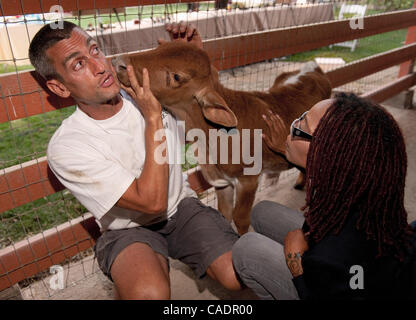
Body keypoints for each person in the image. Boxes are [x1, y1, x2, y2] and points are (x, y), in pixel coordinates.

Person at [29, 21, 242, 299]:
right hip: (127, 229)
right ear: (59, 88)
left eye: (94, 50)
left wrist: (191, 64)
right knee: (148, 294)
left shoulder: (153, 90)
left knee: (238, 275)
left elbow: (217, 120)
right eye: (78, 65)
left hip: (181, 208)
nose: (100, 66)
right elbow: (151, 203)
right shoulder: (68, 146)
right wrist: (153, 118)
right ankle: (132, 276)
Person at [232, 93, 416, 300]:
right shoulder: (362, 190)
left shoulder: (332, 256)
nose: (293, 125)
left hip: (330, 282)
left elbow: (346, 277)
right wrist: (288, 150)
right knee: (262, 211)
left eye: (302, 127)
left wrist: (297, 264)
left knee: (247, 248)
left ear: (325, 155)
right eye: (301, 116)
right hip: (367, 266)